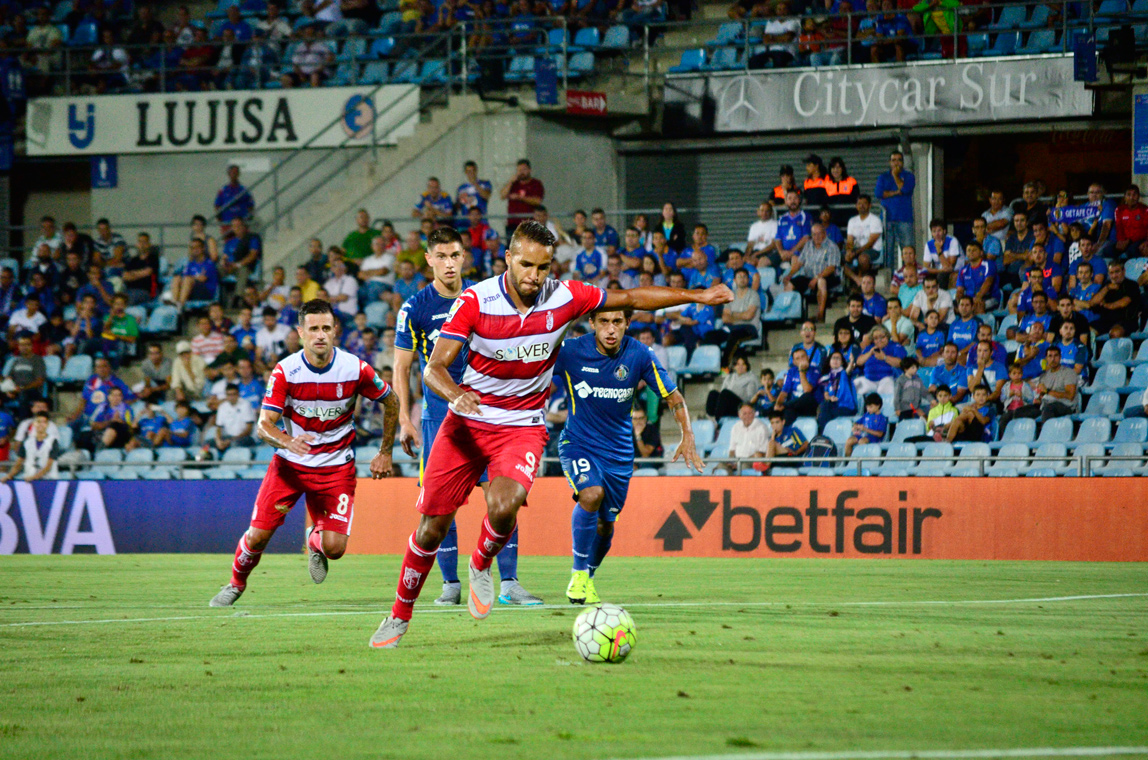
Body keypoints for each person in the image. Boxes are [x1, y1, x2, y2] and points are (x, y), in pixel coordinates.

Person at [369, 221, 732, 648]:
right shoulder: (475, 300)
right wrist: (456, 396)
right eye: (525, 264)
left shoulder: (566, 297)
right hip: (467, 421)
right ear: (508, 257)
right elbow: (434, 367)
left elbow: (633, 298)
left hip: (521, 424)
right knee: (432, 527)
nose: (533, 276)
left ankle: (481, 562)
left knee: (506, 505)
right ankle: (398, 617)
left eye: (543, 267)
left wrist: (699, 296)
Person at [209, 300, 399, 608]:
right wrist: (286, 442)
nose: (320, 335)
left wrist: (385, 452)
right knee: (258, 537)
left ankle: (315, 539)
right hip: (290, 467)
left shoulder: (354, 368)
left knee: (335, 548)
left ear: (335, 331)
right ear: (301, 332)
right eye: (313, 329)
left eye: (326, 328)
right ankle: (235, 584)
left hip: (336, 467)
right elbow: (263, 426)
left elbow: (391, 402)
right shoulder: (287, 371)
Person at [393, 227, 542, 607]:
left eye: (455, 255)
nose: (448, 263)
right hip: (440, 415)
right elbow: (402, 367)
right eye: (440, 256)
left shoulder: (486, 297)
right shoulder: (414, 308)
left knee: (501, 494)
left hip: (490, 412)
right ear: (428, 259)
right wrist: (404, 421)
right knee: (444, 504)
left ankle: (508, 582)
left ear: (464, 258)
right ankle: (450, 585)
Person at [556, 308, 699, 604]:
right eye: (604, 322)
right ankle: (578, 574)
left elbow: (673, 396)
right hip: (578, 442)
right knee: (591, 495)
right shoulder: (571, 351)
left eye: (617, 322)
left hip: (619, 454)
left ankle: (589, 576)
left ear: (627, 324)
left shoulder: (639, 355)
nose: (610, 329)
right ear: (592, 323)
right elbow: (527, 367)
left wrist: (688, 434)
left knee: (605, 525)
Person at [998, 346, 1077, 428]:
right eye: (1050, 356)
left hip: (1065, 405)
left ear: (1060, 357)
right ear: (1046, 358)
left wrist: (1047, 391)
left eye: (1056, 356)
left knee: (1049, 408)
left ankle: (1046, 437)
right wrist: (1038, 399)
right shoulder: (1044, 376)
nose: (1053, 359)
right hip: (1045, 405)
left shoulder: (1069, 373)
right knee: (1018, 412)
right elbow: (1041, 395)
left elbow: (1070, 396)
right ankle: (1015, 438)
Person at [787, 223, 840, 323]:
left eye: (819, 234)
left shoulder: (832, 246)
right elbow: (799, 263)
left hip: (828, 277)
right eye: (814, 234)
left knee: (821, 282)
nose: (817, 237)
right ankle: (790, 315)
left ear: (825, 234)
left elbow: (831, 268)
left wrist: (816, 278)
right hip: (809, 276)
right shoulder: (808, 245)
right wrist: (789, 275)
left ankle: (820, 315)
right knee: (790, 283)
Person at [874, 151, 915, 267]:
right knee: (888, 251)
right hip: (887, 219)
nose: (896, 162)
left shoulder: (909, 176)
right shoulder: (883, 177)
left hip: (904, 219)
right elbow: (878, 194)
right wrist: (897, 192)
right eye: (893, 160)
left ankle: (908, 276)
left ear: (902, 162)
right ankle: (891, 279)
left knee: (907, 251)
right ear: (889, 162)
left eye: (899, 160)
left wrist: (895, 176)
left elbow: (905, 189)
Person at [0, 412, 59, 483]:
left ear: (47, 424)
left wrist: (35, 477)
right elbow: (18, 463)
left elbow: (49, 465)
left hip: (49, 480)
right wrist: (9, 476)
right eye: (38, 421)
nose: (41, 424)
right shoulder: (26, 441)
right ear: (34, 423)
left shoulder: (53, 441)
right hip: (29, 480)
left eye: (44, 422)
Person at [1090, 261, 1141, 338]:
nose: (1114, 276)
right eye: (1111, 273)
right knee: (1086, 330)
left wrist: (1104, 304)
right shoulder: (1106, 286)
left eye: (1117, 272)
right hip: (1106, 321)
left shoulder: (1132, 285)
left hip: (1126, 321)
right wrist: (1107, 288)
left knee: (1115, 333)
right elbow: (1092, 303)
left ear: (1123, 271)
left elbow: (1122, 303)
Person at [854, 325, 905, 396]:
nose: (879, 340)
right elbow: (859, 362)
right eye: (875, 338)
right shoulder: (869, 348)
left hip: (888, 378)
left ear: (887, 336)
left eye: (882, 337)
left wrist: (884, 358)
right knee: (855, 385)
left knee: (885, 388)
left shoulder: (895, 346)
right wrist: (870, 353)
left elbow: (901, 363)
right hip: (869, 379)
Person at [844, 194, 883, 286]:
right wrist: (849, 251)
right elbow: (850, 241)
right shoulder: (852, 221)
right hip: (856, 249)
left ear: (870, 205)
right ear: (856, 206)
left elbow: (870, 243)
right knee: (839, 258)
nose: (861, 206)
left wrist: (855, 253)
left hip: (872, 250)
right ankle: (857, 279)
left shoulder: (875, 220)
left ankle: (861, 280)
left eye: (864, 203)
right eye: (859, 203)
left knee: (863, 259)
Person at [499, 159, 544, 237]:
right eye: (519, 170)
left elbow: (537, 201)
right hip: (513, 224)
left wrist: (520, 198)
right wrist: (510, 182)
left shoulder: (536, 184)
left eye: (524, 169)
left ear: (530, 170)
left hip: (529, 223)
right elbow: (502, 195)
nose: (521, 172)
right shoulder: (513, 184)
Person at [775, 347, 820, 423]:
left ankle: (785, 406)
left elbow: (807, 390)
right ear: (794, 362)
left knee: (807, 396)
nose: (801, 359)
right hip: (793, 406)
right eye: (798, 358)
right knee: (787, 413)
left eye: (803, 356)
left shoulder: (815, 370)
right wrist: (777, 405)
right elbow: (784, 392)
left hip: (809, 405)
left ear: (808, 358)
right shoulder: (791, 371)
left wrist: (801, 371)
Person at [816, 350, 858, 431]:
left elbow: (848, 370)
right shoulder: (827, 377)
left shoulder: (843, 373)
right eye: (833, 358)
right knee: (824, 406)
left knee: (826, 413)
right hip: (834, 406)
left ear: (842, 363)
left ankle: (823, 433)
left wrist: (851, 361)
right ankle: (824, 433)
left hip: (846, 407)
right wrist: (830, 398)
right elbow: (826, 394)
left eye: (838, 358)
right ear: (829, 362)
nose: (835, 360)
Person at [728, 402, 769, 468]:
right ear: (739, 415)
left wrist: (741, 462)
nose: (747, 416)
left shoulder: (762, 428)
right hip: (737, 460)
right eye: (744, 414)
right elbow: (732, 449)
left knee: (743, 467)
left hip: (751, 461)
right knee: (721, 466)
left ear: (754, 414)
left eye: (750, 413)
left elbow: (763, 452)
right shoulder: (735, 427)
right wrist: (731, 462)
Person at [1115, 184, 1148, 259]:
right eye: (1128, 195)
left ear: (1138, 196)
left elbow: (1145, 229)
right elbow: (1119, 228)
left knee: (1133, 251)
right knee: (1108, 250)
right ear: (1125, 197)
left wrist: (1146, 242)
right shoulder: (1119, 210)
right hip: (1124, 241)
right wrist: (1121, 241)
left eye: (1134, 195)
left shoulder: (1144, 209)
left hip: (1140, 240)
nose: (1131, 198)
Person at [893, 356, 927, 421]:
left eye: (916, 367)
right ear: (906, 369)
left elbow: (924, 392)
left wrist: (931, 400)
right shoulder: (900, 380)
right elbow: (897, 395)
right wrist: (897, 408)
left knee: (923, 418)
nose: (916, 369)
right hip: (904, 408)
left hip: (915, 407)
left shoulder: (918, 379)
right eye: (913, 367)